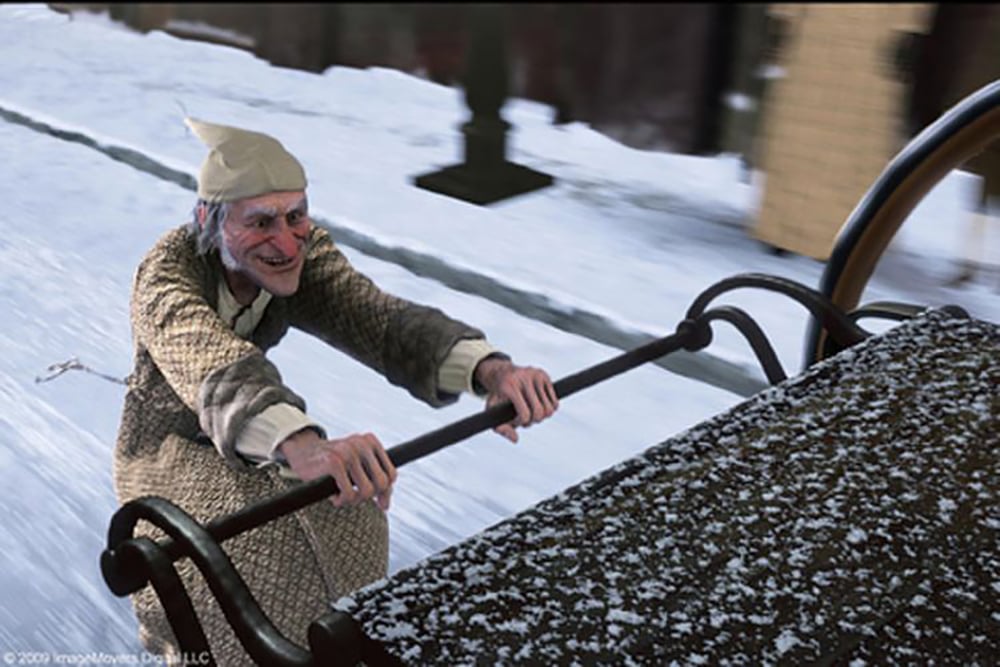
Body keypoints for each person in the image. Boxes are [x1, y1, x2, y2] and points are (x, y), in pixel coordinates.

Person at [113, 117, 559, 664]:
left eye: (296, 216)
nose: (285, 241)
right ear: (210, 220)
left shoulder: (301, 250)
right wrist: (305, 447)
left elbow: (374, 317)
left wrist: (491, 370)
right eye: (260, 223)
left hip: (263, 431)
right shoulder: (166, 278)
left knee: (350, 505)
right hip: (167, 448)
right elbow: (212, 364)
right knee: (243, 557)